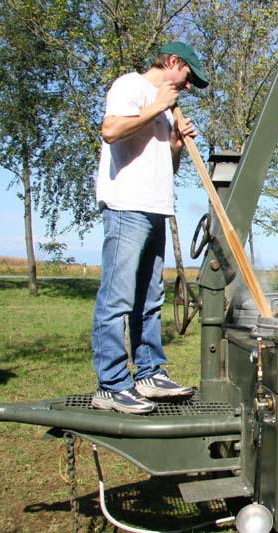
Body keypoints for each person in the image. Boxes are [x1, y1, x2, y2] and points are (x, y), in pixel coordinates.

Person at [90, 42, 210, 414]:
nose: (187, 86)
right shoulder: (131, 86)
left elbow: (167, 167)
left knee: (150, 299)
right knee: (117, 299)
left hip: (155, 208)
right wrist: (157, 106)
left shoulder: (164, 108)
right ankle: (111, 385)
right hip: (127, 207)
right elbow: (111, 130)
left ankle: (149, 373)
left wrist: (175, 142)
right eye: (187, 77)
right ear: (173, 62)